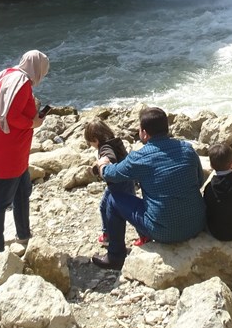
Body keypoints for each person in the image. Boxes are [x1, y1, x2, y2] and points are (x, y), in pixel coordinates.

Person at [92, 106, 206, 270]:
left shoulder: (140, 157)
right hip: (196, 224)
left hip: (163, 231)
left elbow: (111, 174)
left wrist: (102, 165)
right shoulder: (187, 149)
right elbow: (199, 181)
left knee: (112, 198)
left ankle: (115, 256)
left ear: (144, 133)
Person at [0, 49, 49, 254]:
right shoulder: (22, 84)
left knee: (22, 192)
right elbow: (11, 116)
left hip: (11, 149)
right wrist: (33, 123)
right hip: (8, 152)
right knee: (0, 201)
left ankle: (23, 234)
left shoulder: (8, 74)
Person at [84, 118, 144, 248]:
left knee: (123, 210)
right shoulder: (116, 142)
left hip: (118, 184)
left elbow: (109, 157)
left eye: (90, 142)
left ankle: (141, 234)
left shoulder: (105, 148)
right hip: (127, 179)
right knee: (119, 206)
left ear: (95, 139)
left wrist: (98, 167)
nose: (91, 145)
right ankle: (109, 234)